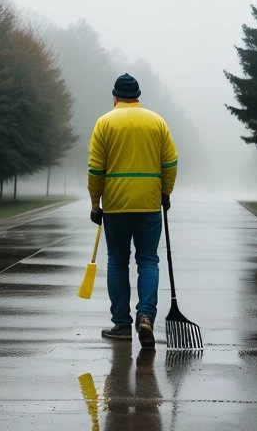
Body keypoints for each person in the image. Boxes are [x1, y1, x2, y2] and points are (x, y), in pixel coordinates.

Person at [87, 73, 178, 348]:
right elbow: (171, 163)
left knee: (117, 261)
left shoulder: (105, 122)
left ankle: (122, 324)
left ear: (115, 97)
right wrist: (165, 193)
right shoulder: (156, 121)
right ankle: (146, 316)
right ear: (138, 97)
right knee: (148, 260)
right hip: (149, 204)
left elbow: (95, 168)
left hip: (116, 206)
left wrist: (95, 203)